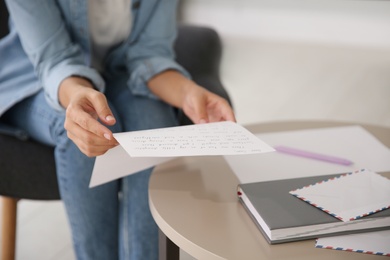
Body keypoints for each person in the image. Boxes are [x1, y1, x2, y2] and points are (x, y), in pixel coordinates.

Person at [0, 0, 236, 259]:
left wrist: (188, 93)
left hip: (119, 73)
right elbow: (55, 61)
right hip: (34, 77)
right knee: (92, 125)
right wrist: (78, 95)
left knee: (154, 123)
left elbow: (150, 54)